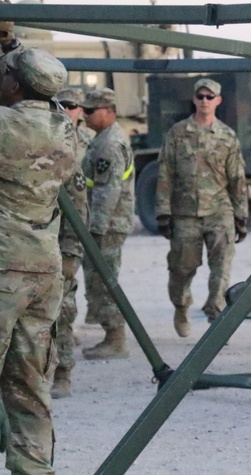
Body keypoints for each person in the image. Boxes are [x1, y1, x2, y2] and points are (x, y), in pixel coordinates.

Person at [0, 7, 77, 474]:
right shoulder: (65, 129)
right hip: (43, 270)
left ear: (14, 87)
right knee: (29, 387)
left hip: (3, 267)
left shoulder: (6, 128)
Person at [156, 78, 249, 336]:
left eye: (210, 97)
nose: (205, 101)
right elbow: (165, 173)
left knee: (222, 269)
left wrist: (241, 215)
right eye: (201, 96)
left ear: (218, 101)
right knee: (182, 269)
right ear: (194, 100)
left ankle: (216, 317)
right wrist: (163, 212)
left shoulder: (228, 137)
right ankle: (181, 306)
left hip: (220, 211)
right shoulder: (177, 133)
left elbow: (237, 179)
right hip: (185, 213)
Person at [80, 87, 136, 361]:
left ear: (109, 112)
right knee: (100, 279)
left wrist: (96, 229)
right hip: (108, 223)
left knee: (103, 280)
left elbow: (107, 190)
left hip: (107, 226)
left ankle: (116, 339)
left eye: (91, 111)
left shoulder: (109, 145)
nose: (85, 115)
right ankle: (112, 335)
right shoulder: (103, 138)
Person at [51, 87, 92, 397]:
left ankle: (63, 371)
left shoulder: (68, 153)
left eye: (72, 106)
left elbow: (78, 208)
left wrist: (71, 253)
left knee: (63, 310)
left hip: (55, 246)